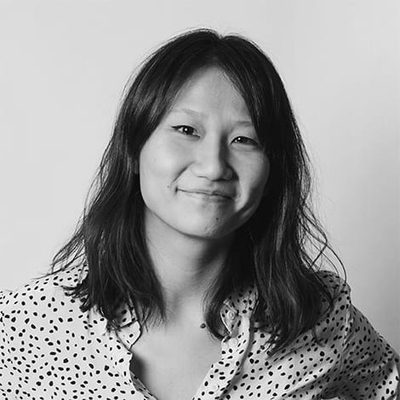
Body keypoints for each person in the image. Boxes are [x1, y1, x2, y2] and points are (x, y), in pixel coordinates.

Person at [0, 29, 398, 400]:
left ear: (272, 170)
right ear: (134, 149)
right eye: (187, 130)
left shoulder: (319, 318)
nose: (213, 166)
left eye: (244, 139)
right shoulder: (24, 326)